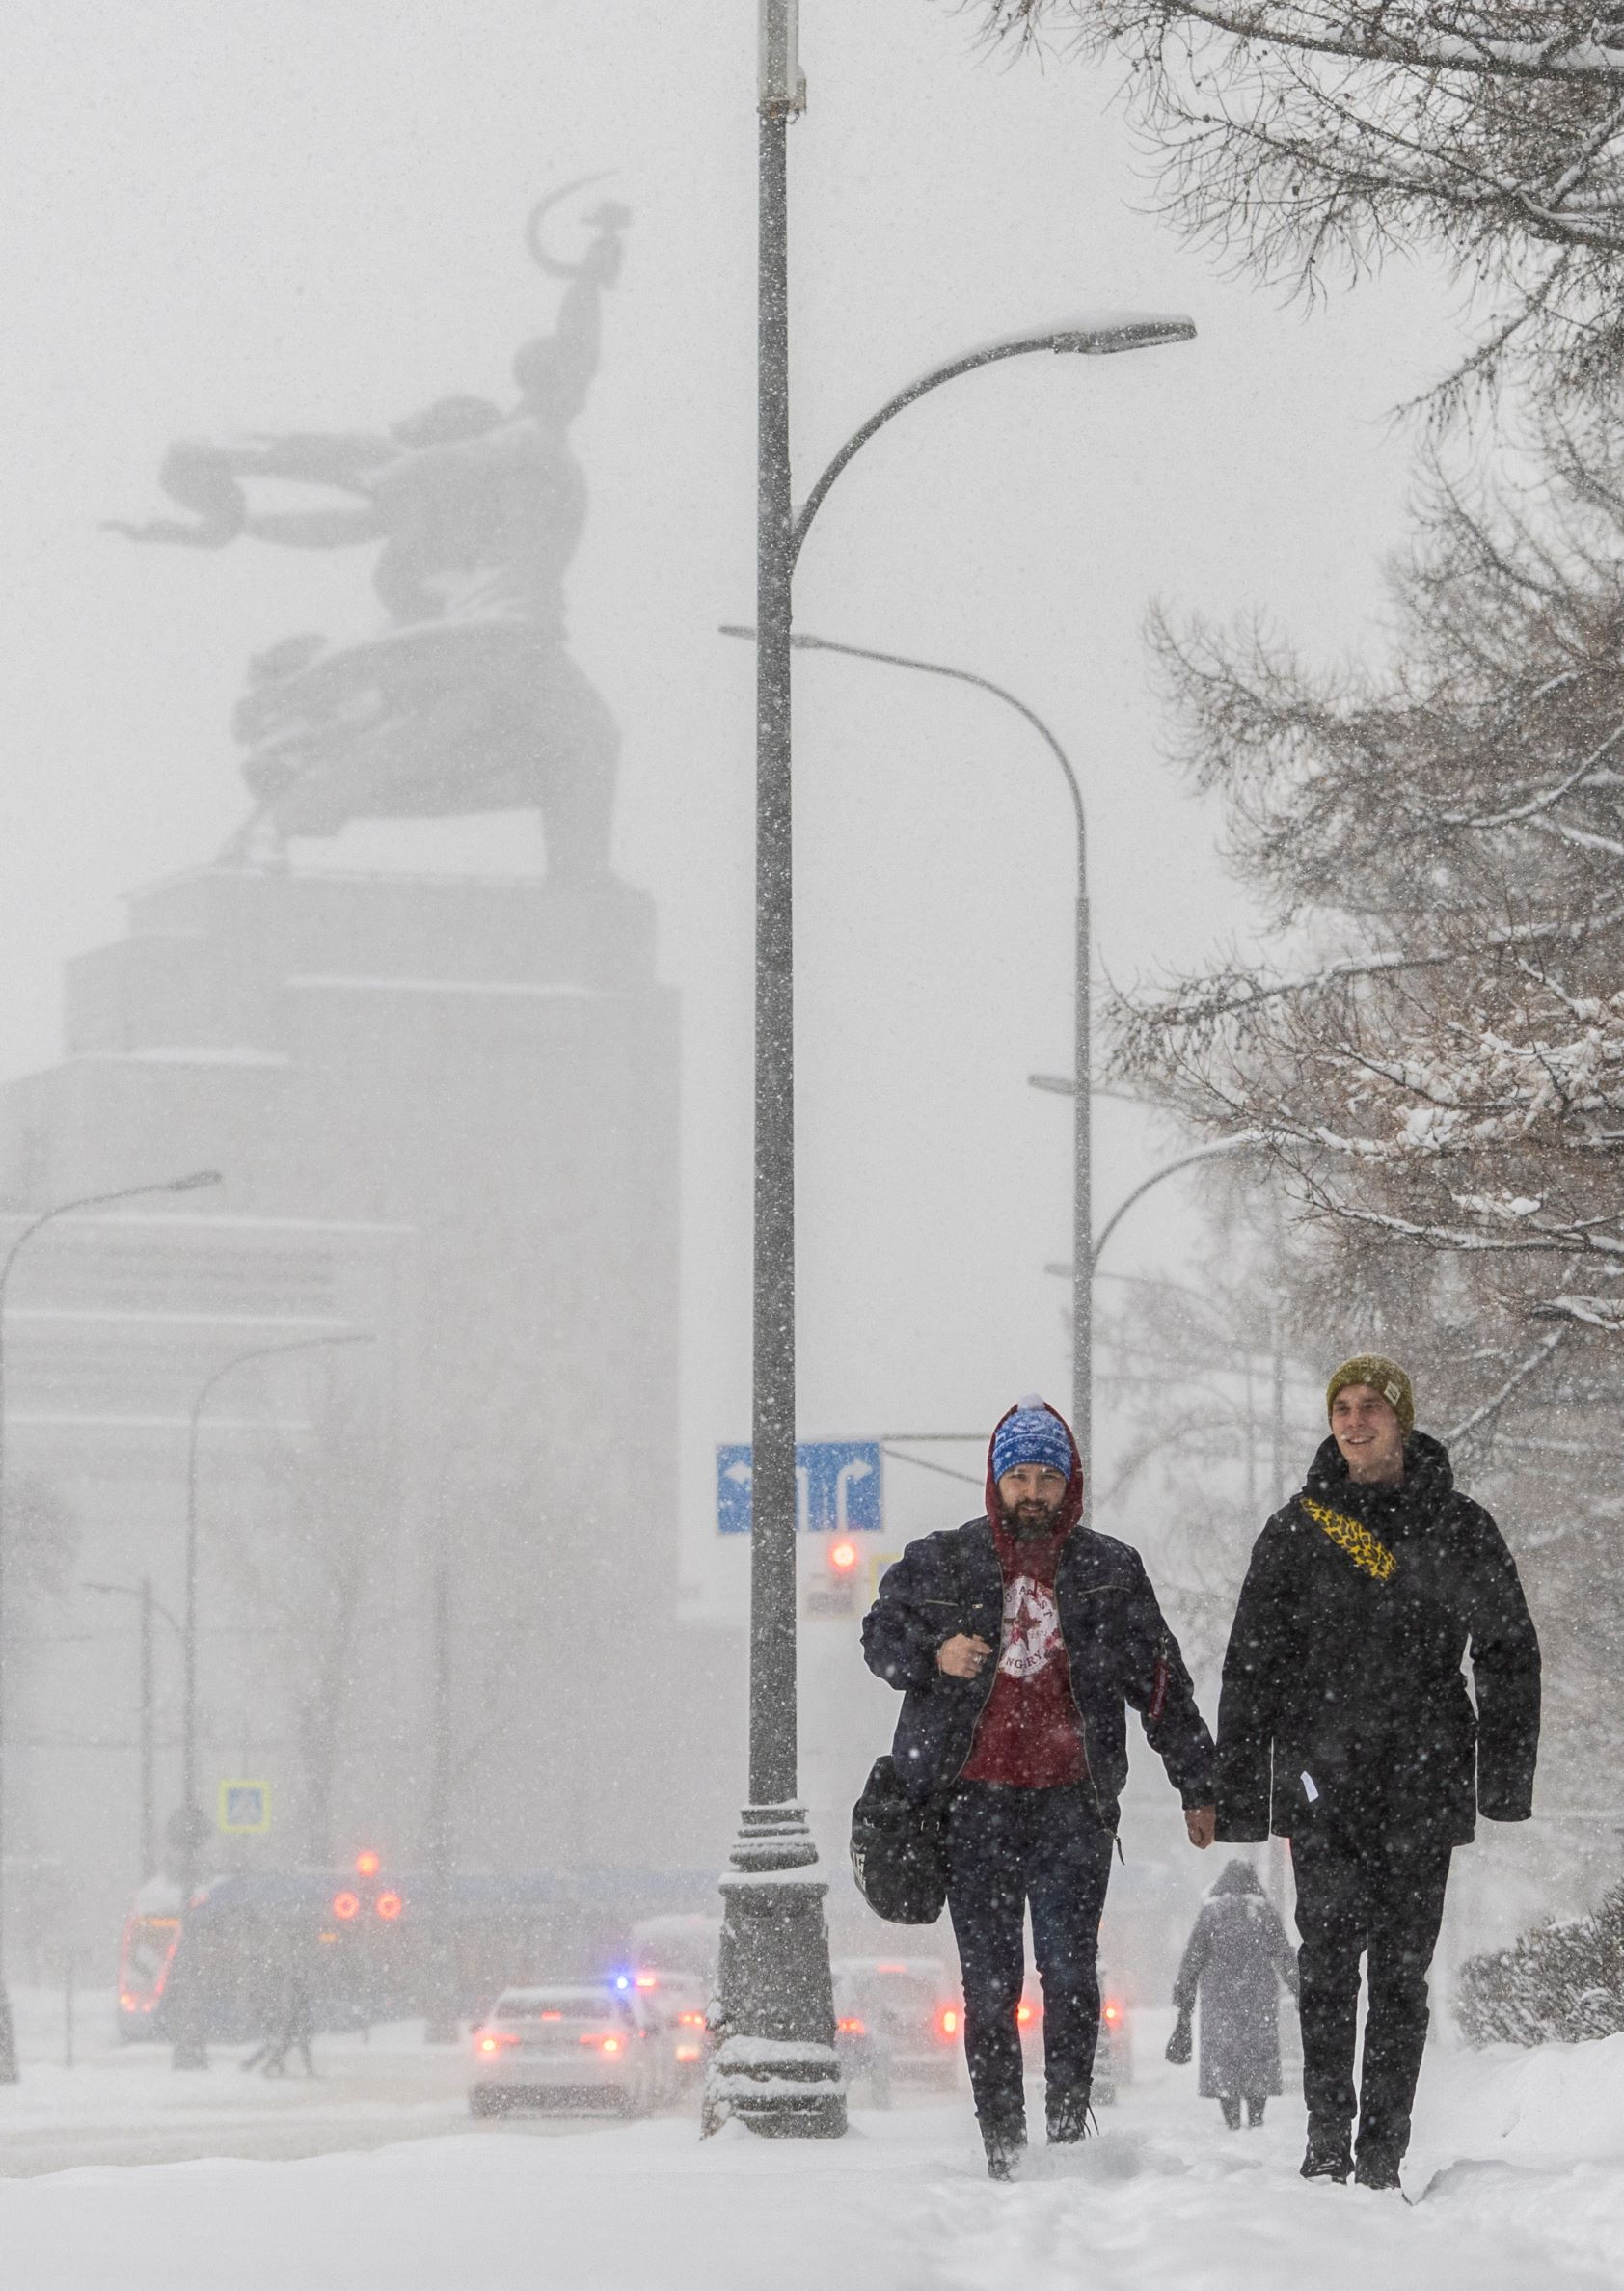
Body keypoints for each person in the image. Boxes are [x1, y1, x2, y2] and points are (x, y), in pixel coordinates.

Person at [862, 1394, 1216, 2180]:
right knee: (989, 1985)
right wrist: (933, 1651)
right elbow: (878, 1634)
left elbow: (1161, 1685)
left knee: (1070, 1972)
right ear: (994, 1480)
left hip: (1072, 1807)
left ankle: (1065, 2126)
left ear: (1070, 1484)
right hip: (972, 1807)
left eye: (1045, 1477)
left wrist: (1198, 1782)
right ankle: (1002, 2142)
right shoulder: (943, 1561)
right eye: (1018, 1474)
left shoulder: (1108, 1571)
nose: (1032, 1491)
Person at [1215, 1354, 1540, 2192]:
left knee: (1401, 1972)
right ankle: (1327, 2142)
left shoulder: (1461, 1526)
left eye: (1371, 1408)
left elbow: (1508, 1651)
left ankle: (1380, 2155)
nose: (1355, 1421)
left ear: (1402, 1417)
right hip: (1324, 1778)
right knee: (1326, 1960)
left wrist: (1502, 1781)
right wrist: (1244, 1796)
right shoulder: (1296, 1531)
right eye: (1343, 1408)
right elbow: (1251, 1665)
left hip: (1425, 1779)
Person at [1170, 1859, 1298, 2129]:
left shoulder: (1212, 1912)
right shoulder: (1263, 1911)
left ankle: (1231, 2120)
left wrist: (1184, 1998)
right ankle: (1256, 2117)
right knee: (1257, 2058)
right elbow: (1283, 1954)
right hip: (1258, 1997)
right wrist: (1300, 1990)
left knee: (1225, 2059)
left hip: (1220, 1999)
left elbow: (1193, 1959)